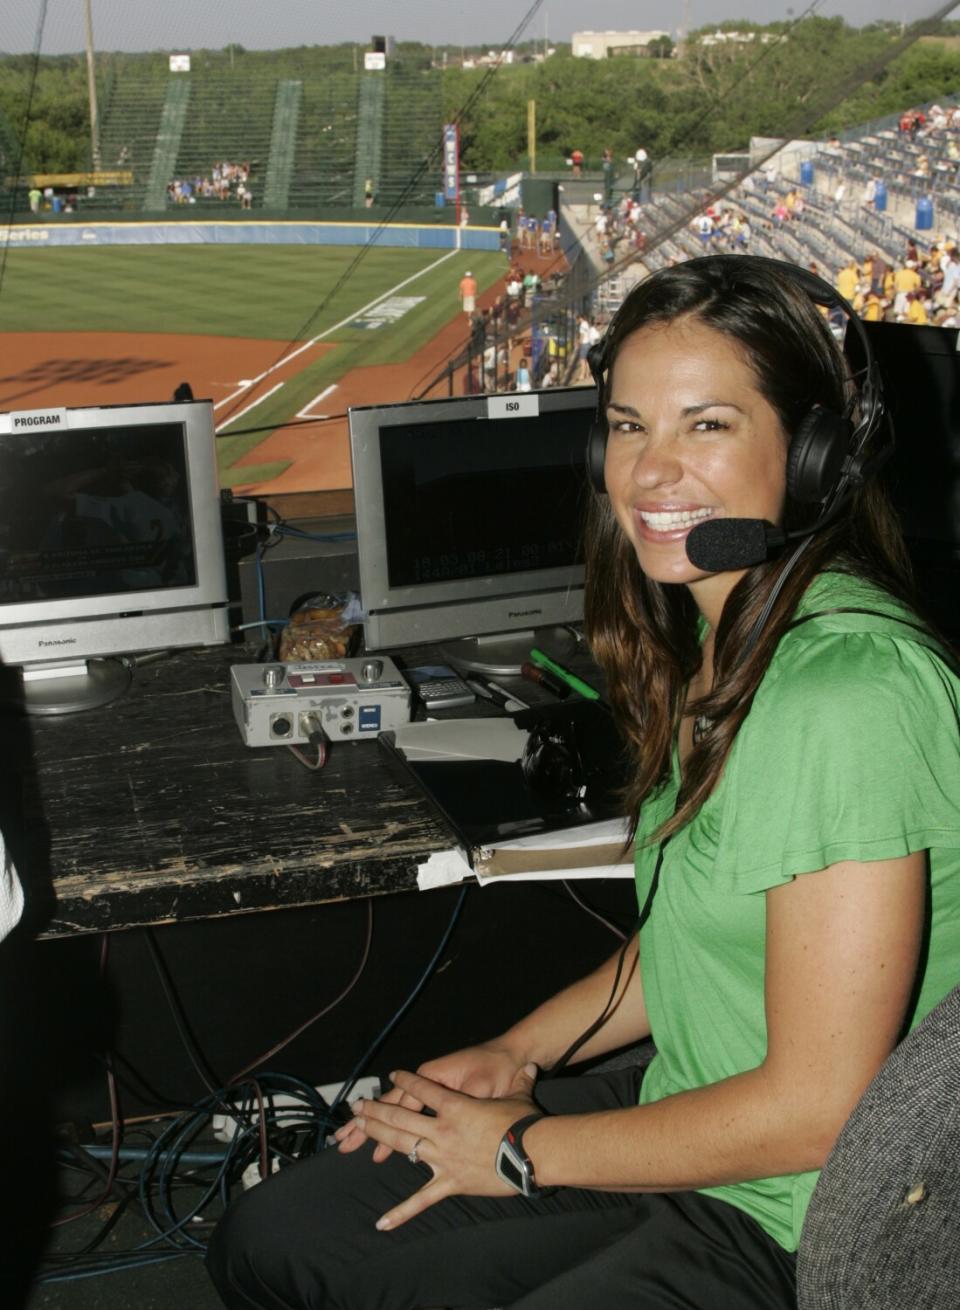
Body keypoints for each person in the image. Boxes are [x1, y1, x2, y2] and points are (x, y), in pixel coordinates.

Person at [206, 256, 960, 1310]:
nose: (650, 475)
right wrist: (521, 1049)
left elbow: (817, 1108)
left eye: (707, 425)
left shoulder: (844, 693)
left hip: (796, 1208)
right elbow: (704, 926)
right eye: (627, 424)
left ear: (815, 454)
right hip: (685, 1112)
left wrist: (523, 1147)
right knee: (277, 1234)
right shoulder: (730, 640)